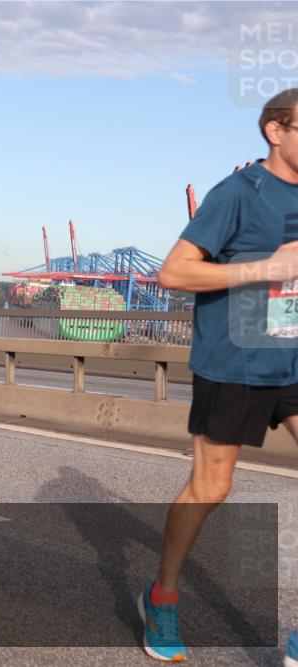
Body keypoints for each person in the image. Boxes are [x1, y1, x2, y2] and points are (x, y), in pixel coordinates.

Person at [145, 88, 298, 662]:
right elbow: (173, 273)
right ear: (275, 132)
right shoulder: (238, 192)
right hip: (234, 360)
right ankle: (162, 598)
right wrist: (269, 267)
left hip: (293, 359)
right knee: (213, 487)